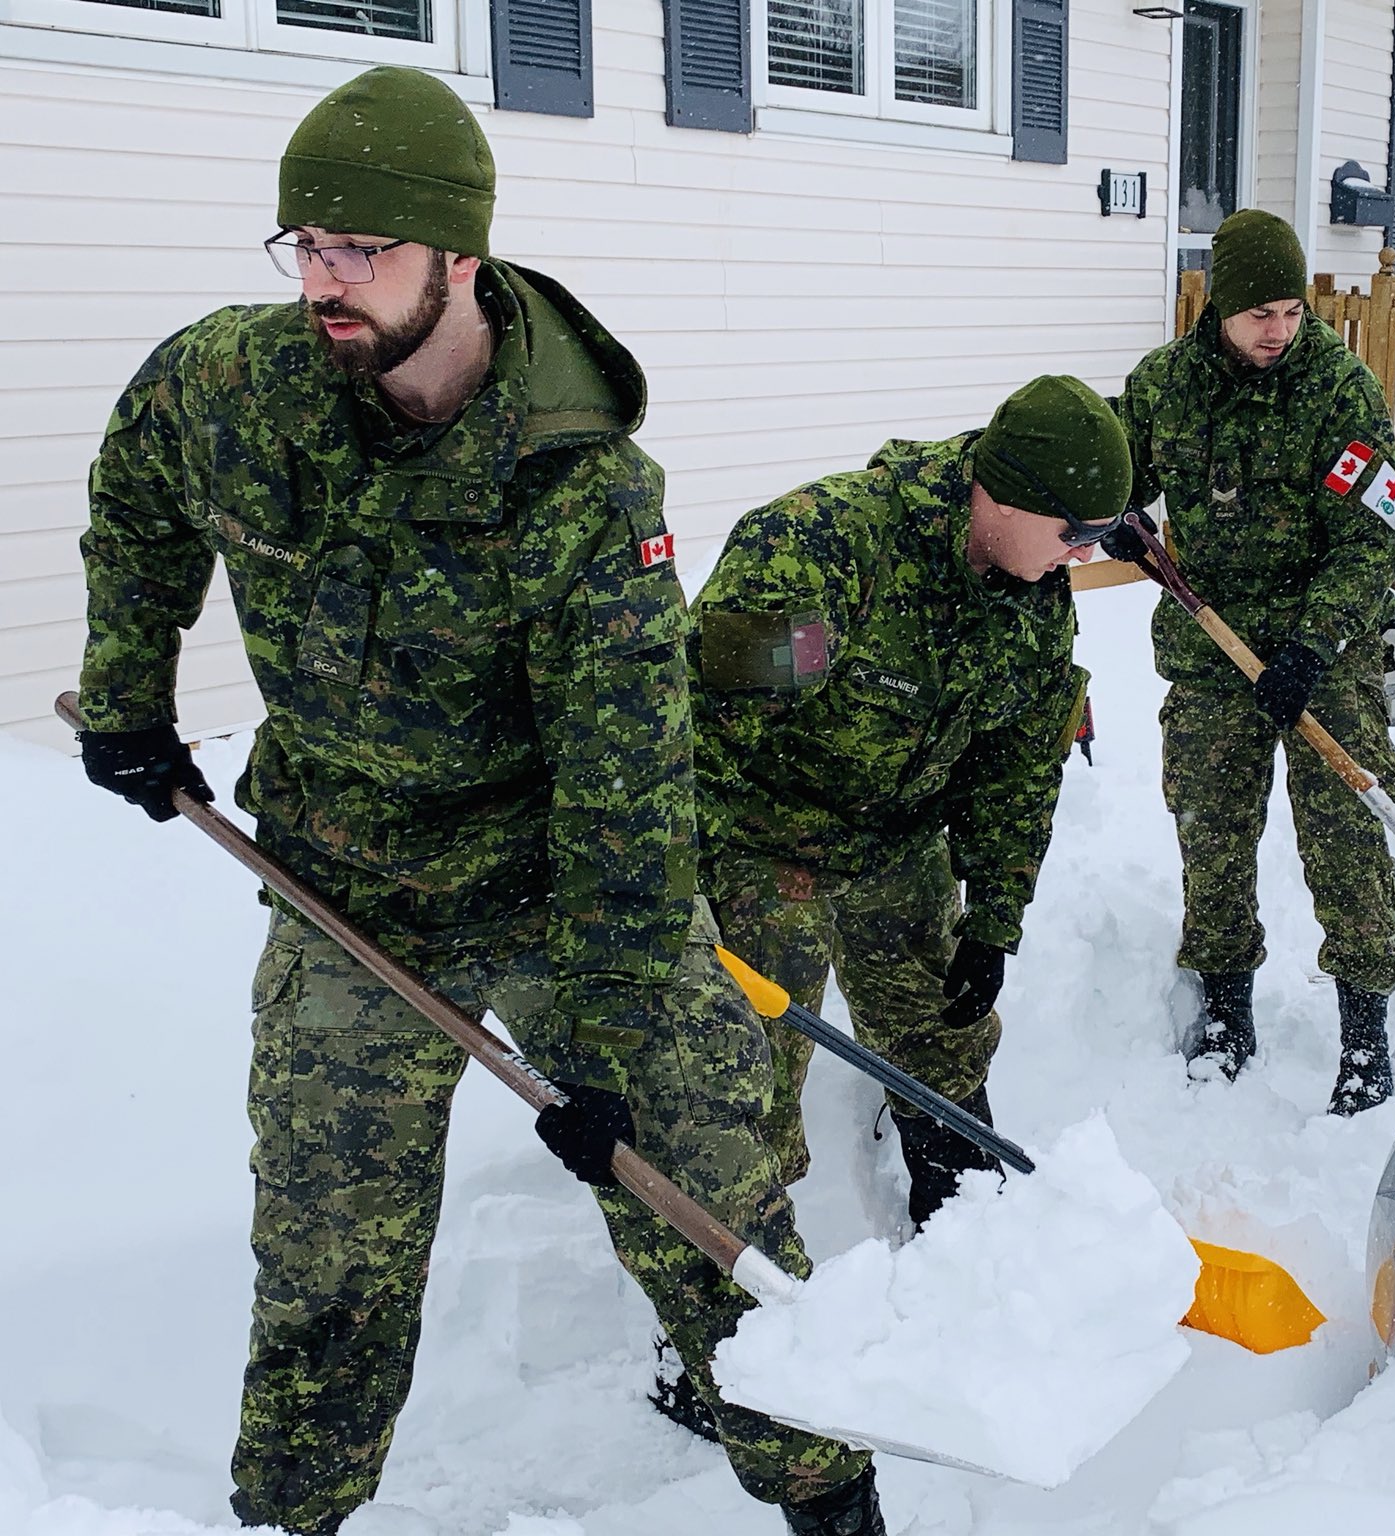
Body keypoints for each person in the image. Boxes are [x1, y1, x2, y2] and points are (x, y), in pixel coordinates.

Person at [71, 66, 882, 1536]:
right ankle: (294, 1517)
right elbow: (135, 492)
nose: (324, 281)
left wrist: (616, 1037)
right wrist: (130, 691)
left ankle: (826, 1497)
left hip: (556, 885)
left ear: (460, 257)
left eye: (361, 252)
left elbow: (628, 791)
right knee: (327, 1250)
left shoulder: (583, 488)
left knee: (707, 1194)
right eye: (303, 246)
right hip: (340, 884)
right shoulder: (234, 385)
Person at [687, 376, 1125, 1225]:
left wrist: (996, 917)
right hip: (765, 846)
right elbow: (698, 732)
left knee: (940, 1032)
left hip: (900, 841)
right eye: (1078, 533)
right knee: (744, 1076)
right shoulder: (824, 554)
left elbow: (1018, 766)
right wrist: (685, 892)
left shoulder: (1031, 599)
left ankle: (960, 1207)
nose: (1087, 554)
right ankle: (725, 1303)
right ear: (1003, 496)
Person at [1104, 208, 1395, 1116]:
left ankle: (1365, 1032)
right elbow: (1119, 477)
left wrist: (1315, 645)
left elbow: (1373, 533)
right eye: (1260, 315)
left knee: (1347, 842)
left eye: (1291, 310)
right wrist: (1115, 512)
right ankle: (1227, 1007)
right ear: (1218, 309)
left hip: (1323, 655)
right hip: (1211, 656)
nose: (1279, 331)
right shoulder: (1164, 385)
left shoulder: (1341, 391)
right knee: (1212, 833)